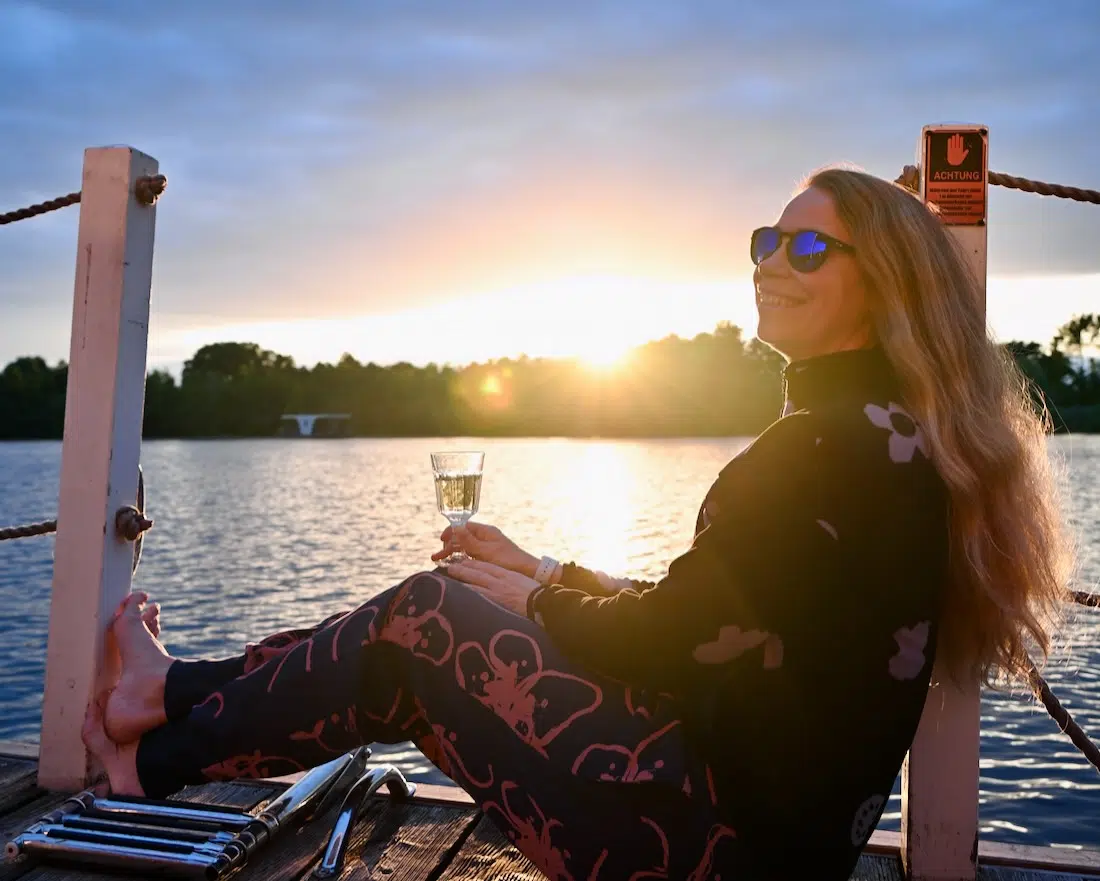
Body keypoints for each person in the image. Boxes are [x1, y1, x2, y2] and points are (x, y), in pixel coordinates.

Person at [83, 167, 1071, 881]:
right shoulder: (892, 438)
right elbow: (726, 619)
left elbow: (670, 641)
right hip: (768, 837)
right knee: (444, 607)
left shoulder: (816, 450)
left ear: (884, 283)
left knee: (424, 614)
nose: (770, 262)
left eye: (806, 245)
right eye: (762, 242)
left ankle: (149, 747)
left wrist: (534, 593)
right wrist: (538, 568)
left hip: (700, 845)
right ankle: (162, 695)